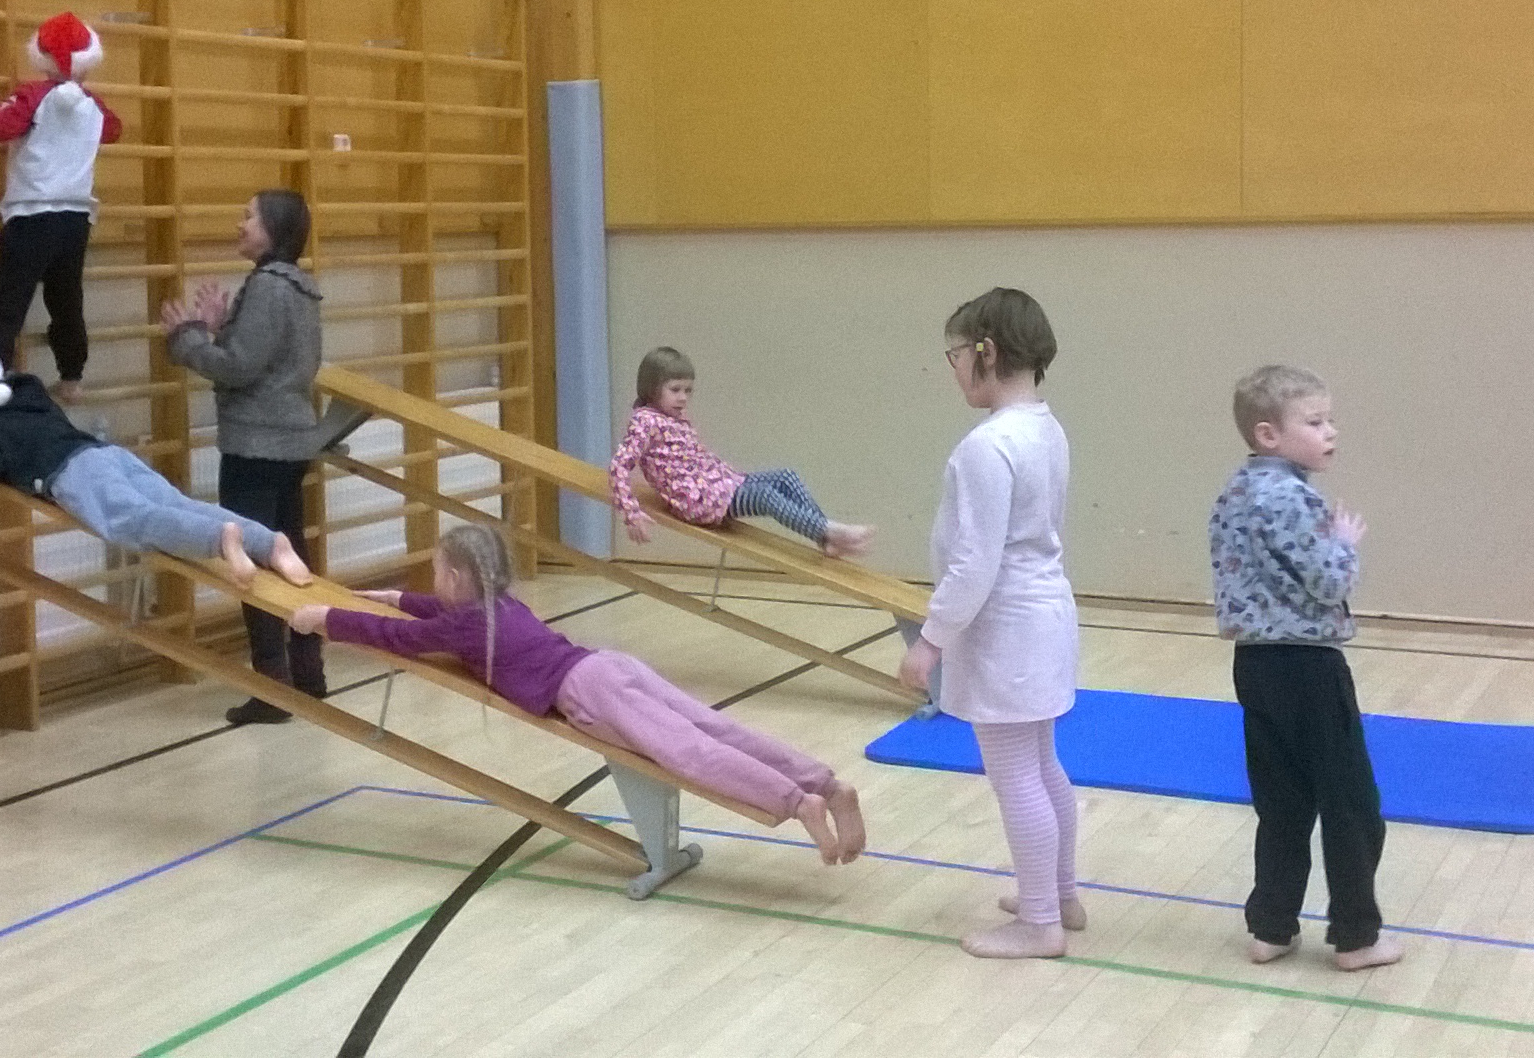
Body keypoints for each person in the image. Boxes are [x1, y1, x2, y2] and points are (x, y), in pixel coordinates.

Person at [290, 523, 865, 863]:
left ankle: (800, 804)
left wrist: (326, 619)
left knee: (689, 753)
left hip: (585, 691)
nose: (432, 583)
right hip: (608, 665)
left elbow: (400, 638)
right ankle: (826, 786)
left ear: (458, 579)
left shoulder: (465, 625)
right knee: (715, 728)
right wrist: (397, 598)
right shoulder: (499, 605)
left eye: (437, 573)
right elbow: (429, 616)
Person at [900, 288, 1078, 960]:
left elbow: (975, 564)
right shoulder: (1045, 428)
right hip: (1043, 619)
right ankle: (1059, 894)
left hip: (1008, 629)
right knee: (1041, 763)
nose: (952, 370)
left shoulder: (987, 446)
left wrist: (930, 641)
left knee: (1014, 775)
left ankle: (1040, 922)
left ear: (987, 352)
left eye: (954, 355)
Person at [1210, 365, 1401, 972]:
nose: (1331, 432)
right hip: (1309, 667)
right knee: (1352, 804)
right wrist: (1344, 543)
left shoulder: (1235, 493)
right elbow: (1328, 582)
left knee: (1282, 804)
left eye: (1330, 420)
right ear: (1268, 434)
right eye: (1315, 422)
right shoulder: (1292, 498)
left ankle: (1271, 927)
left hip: (1255, 665)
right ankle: (1357, 936)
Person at [0, 339, 311, 590]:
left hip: (71, 474)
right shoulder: (26, 387)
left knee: (137, 522)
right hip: (105, 454)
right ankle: (269, 543)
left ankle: (219, 539)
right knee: (177, 503)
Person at [164, 190, 328, 725]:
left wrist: (189, 338)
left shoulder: (266, 286)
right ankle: (308, 672)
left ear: (272, 228)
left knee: (254, 560)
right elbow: (268, 360)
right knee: (292, 556)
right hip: (290, 441)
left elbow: (239, 368)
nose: (240, 224)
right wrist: (220, 330)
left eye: (248, 216)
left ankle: (272, 688)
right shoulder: (299, 287)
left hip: (255, 445)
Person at [0, 11, 123, 404]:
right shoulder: (93, 106)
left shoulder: (33, 96)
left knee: (5, 304)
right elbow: (114, 130)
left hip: (32, 217)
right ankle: (72, 377)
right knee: (66, 301)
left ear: (41, 59)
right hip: (76, 219)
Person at [607, 347, 873, 558]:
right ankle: (828, 531)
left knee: (786, 477)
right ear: (652, 388)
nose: (683, 397)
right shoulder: (644, 421)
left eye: (688, 390)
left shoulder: (674, 418)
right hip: (698, 501)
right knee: (766, 497)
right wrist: (630, 513)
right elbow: (619, 466)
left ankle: (825, 537)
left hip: (719, 485)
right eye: (675, 390)